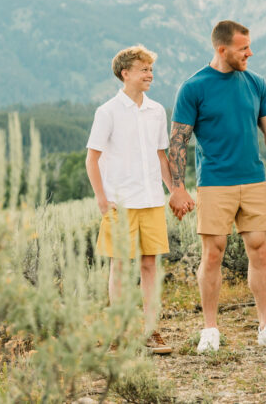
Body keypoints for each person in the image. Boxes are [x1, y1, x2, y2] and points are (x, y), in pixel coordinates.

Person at [167, 20, 266, 353]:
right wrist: (177, 188)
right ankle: (210, 329)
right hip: (215, 183)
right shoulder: (193, 87)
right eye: (243, 48)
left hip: (253, 180)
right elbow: (178, 141)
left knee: (261, 249)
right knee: (213, 253)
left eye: (249, 46)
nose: (249, 53)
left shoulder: (256, 83)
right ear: (222, 49)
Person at [86, 45, 193, 355]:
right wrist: (102, 200)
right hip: (120, 203)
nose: (150, 74)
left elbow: (161, 156)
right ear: (126, 73)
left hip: (151, 201)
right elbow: (92, 159)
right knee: (120, 267)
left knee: (149, 266)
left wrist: (175, 191)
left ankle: (151, 331)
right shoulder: (107, 112)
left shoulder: (156, 111)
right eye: (144, 69)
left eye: (151, 69)